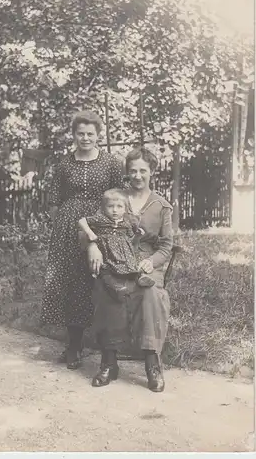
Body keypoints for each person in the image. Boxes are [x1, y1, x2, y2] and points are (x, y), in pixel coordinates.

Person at [40, 110, 123, 370]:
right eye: (80, 133)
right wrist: (64, 221)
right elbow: (54, 200)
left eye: (90, 133)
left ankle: (106, 345)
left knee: (100, 280)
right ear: (74, 135)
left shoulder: (111, 163)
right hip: (68, 229)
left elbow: (119, 197)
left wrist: (110, 225)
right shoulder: (65, 164)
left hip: (101, 225)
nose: (85, 138)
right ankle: (74, 346)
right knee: (71, 281)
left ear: (99, 135)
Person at [86, 146, 173, 392]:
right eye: (132, 171)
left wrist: (152, 261)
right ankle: (109, 360)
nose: (137, 176)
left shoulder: (161, 206)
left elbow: (166, 246)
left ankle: (152, 363)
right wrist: (93, 246)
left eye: (142, 171)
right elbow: (93, 227)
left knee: (149, 293)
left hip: (145, 262)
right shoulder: (114, 198)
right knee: (109, 290)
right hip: (113, 260)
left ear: (152, 172)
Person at [78, 188, 157, 303]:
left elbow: (132, 242)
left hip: (123, 254)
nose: (115, 210)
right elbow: (81, 221)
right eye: (111, 206)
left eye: (119, 206)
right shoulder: (101, 219)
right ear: (104, 208)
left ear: (125, 209)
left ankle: (140, 278)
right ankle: (114, 288)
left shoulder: (126, 224)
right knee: (105, 269)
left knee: (132, 263)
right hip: (106, 252)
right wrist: (90, 233)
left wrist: (138, 236)